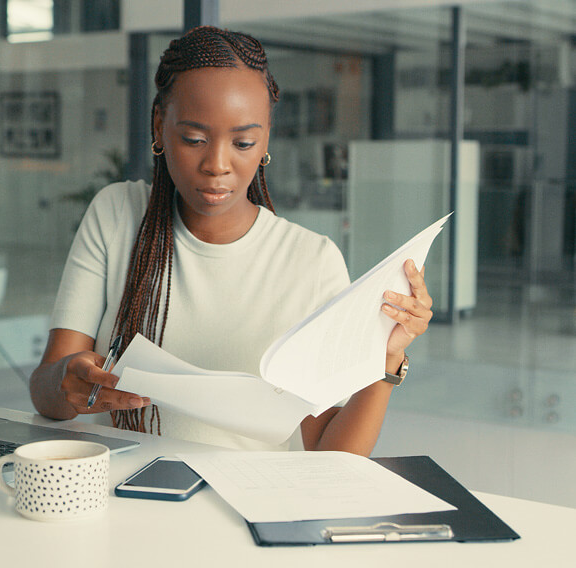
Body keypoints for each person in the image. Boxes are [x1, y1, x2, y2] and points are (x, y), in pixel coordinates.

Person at [29, 26, 432, 456]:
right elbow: (47, 392)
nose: (217, 165)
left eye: (243, 142)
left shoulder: (311, 262)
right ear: (159, 124)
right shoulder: (116, 214)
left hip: (245, 509)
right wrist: (66, 383)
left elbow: (333, 456)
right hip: (123, 498)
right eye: (194, 139)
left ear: (266, 140)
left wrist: (385, 360)